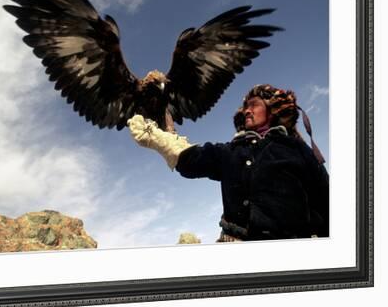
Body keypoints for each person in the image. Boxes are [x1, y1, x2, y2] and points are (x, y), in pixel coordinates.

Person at [127, 84, 329, 242]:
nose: (246, 111)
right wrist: (159, 139)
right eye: (245, 107)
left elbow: (326, 200)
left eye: (254, 105)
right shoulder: (231, 151)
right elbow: (191, 160)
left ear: (272, 109)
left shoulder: (296, 149)